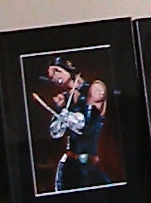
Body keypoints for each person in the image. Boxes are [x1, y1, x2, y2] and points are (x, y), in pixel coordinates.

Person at [42, 57, 110, 191]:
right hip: (69, 165)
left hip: (90, 165)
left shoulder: (94, 89)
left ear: (70, 69)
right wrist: (59, 113)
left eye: (57, 71)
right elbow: (55, 133)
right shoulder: (63, 99)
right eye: (51, 75)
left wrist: (67, 115)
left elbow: (85, 124)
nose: (54, 77)